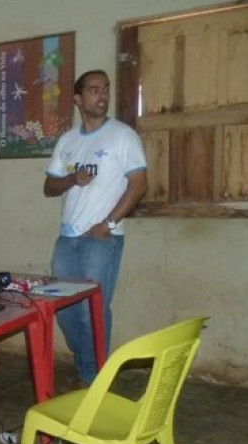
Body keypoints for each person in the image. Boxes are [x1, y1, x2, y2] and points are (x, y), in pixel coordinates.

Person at [44, 69, 148, 384]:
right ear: (78, 98)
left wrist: (110, 223)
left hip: (103, 238)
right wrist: (71, 179)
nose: (102, 96)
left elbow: (139, 185)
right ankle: (89, 367)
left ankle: (95, 377)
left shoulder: (122, 135)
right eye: (93, 90)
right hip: (68, 238)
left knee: (94, 312)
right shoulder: (68, 140)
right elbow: (49, 187)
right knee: (63, 309)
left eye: (105, 89)